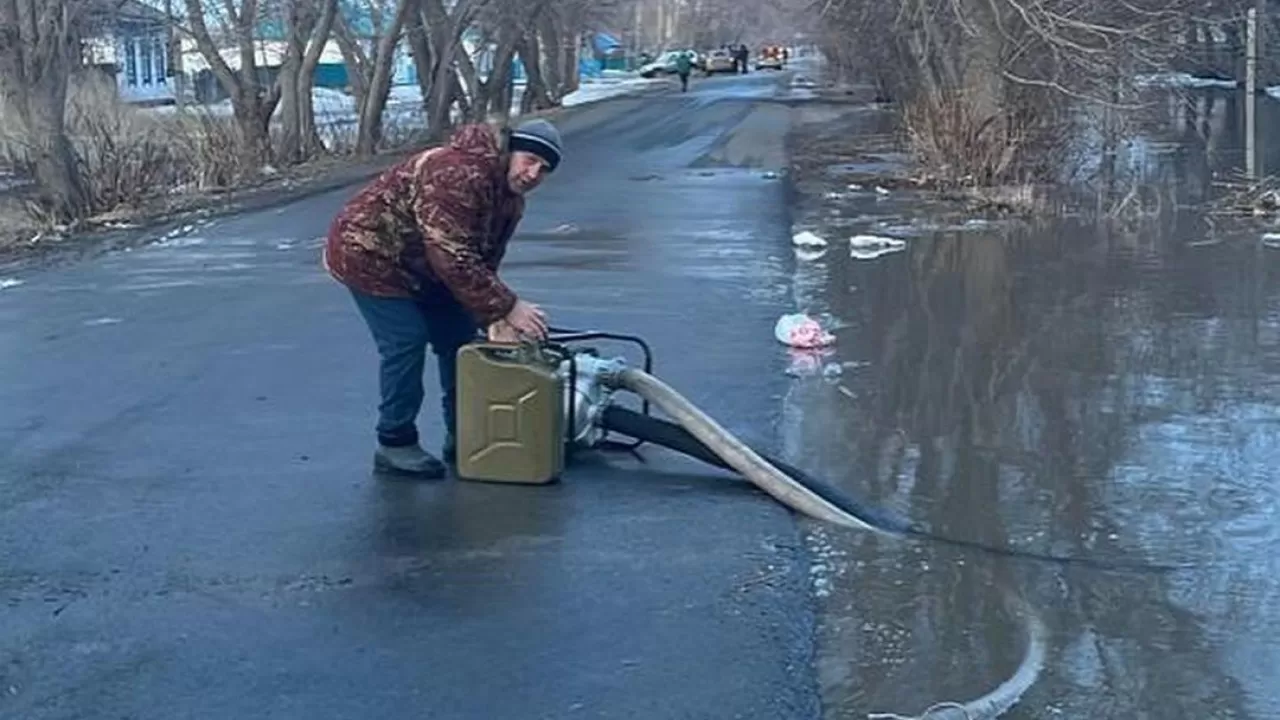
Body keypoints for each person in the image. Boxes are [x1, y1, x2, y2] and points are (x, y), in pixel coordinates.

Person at [323, 118, 563, 477]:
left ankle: (466, 437)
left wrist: (491, 316)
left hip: (425, 263)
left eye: (543, 170)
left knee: (459, 339)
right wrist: (508, 306)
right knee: (406, 340)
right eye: (529, 159)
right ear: (509, 151)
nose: (533, 174)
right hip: (370, 253)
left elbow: (481, 259)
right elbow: (452, 254)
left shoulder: (509, 201)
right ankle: (395, 442)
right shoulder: (456, 172)